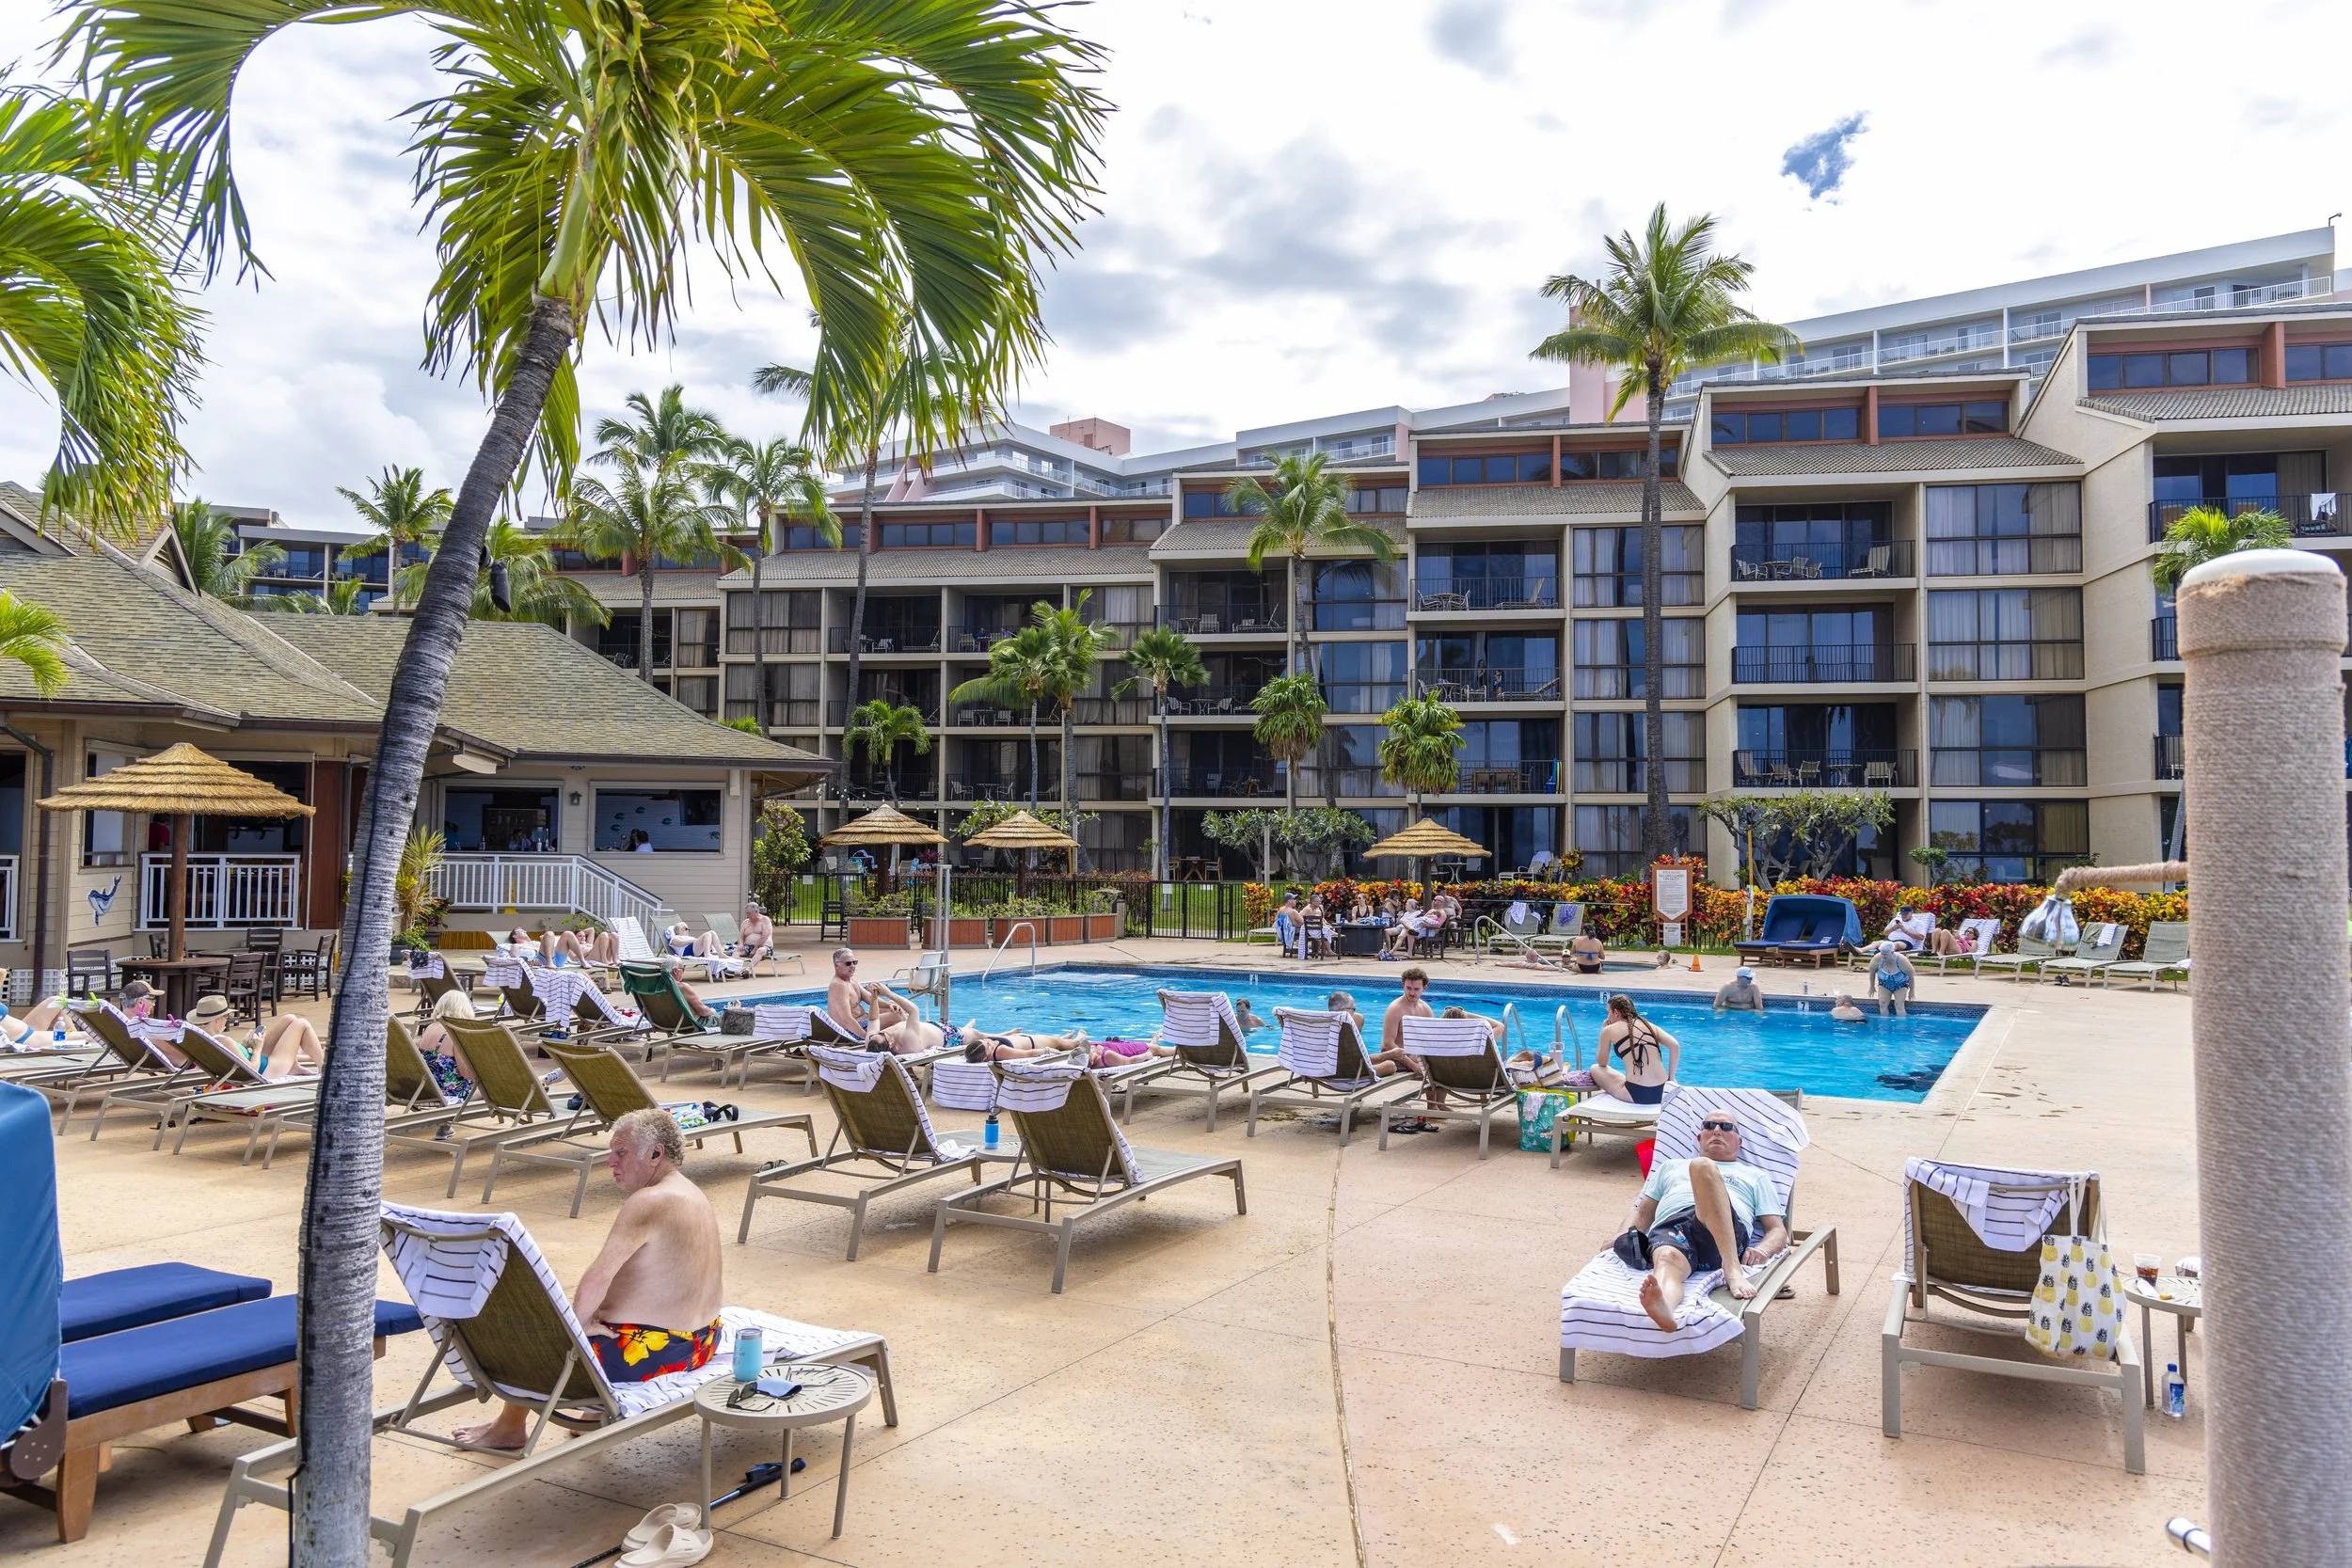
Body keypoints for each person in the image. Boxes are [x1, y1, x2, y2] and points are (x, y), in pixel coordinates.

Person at [453, 1110, 724, 1450]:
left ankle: (509, 1427)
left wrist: (575, 1331)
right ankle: (588, 1418)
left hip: (653, 1351)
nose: (610, 1162)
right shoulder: (690, 1192)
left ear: (656, 1154)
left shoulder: (649, 1201)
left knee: (543, 1339)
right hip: (703, 1340)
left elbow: (598, 1277)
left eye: (621, 1152)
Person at [1616, 1109, 1789, 1331]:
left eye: (1726, 1127)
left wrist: (1763, 1250)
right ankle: (1665, 1308)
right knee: (1666, 1259)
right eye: (1708, 1126)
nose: (1716, 1130)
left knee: (1702, 1166)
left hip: (1722, 1233)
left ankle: (1732, 1268)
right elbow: (1641, 1213)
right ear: (1699, 1138)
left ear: (1739, 1142)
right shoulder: (1670, 1166)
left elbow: (1777, 1230)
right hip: (1673, 1226)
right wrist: (1619, 1237)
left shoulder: (1755, 1176)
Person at [186, 994, 323, 1081]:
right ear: (217, 1020)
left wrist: (246, 1046)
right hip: (268, 1070)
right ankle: (325, 1068)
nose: (227, 1019)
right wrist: (257, 1048)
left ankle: (294, 1066)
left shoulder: (204, 1039)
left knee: (289, 1019)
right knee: (301, 1024)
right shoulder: (224, 1040)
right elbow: (252, 1069)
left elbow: (237, 1061)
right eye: (226, 1017)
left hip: (261, 1063)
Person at [960, 1022, 1174, 1069]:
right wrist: (1047, 1052)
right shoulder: (1001, 1051)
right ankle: (1078, 1037)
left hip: (1105, 1046)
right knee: (1067, 1043)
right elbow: (1029, 1053)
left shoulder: (993, 1050)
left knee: (1068, 1043)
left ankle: (1076, 1037)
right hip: (1037, 1042)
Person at [1590, 994, 1678, 1106]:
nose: (1608, 1017)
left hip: (1637, 1094)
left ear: (1616, 1012)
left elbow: (1602, 1063)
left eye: (1608, 1012)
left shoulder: (1609, 1030)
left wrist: (1603, 1030)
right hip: (1663, 1091)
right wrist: (1671, 1078)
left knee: (1595, 1069)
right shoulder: (1650, 1026)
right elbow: (1675, 1046)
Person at [418, 988, 480, 1100]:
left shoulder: (430, 1028)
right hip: (450, 1094)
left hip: (428, 1089)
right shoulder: (454, 1033)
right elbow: (466, 1073)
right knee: (494, 1089)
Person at [864, 982, 946, 1055]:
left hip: (926, 1027)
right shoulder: (909, 1042)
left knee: (892, 1006)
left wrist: (874, 998)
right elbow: (914, 1010)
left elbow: (873, 1019)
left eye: (878, 1033)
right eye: (882, 1034)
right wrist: (888, 993)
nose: (881, 1032)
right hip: (946, 1034)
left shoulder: (872, 1041)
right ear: (891, 1044)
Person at [825, 948, 873, 1034]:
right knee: (896, 1016)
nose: (853, 966)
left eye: (855, 962)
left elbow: (870, 999)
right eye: (848, 963)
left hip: (865, 1021)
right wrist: (866, 1037)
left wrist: (889, 1004)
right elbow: (847, 1020)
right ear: (837, 966)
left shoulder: (852, 980)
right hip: (853, 1031)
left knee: (892, 1009)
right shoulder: (838, 986)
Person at [1870, 942, 1917, 1018]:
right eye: (1882, 953)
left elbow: (1911, 976)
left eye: (1885, 954)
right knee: (1882, 1004)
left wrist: (1912, 991)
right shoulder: (1877, 958)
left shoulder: (1901, 960)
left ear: (1892, 952)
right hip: (1884, 984)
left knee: (1899, 1005)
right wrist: (1872, 987)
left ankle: (1901, 1026)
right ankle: (1884, 1026)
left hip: (1900, 985)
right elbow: (1872, 973)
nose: (1883, 956)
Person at [738, 902, 775, 967]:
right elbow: (740, 936)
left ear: (756, 911)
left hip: (763, 947)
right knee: (737, 951)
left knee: (760, 951)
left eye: (749, 913)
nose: (747, 915)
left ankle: (748, 969)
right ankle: (730, 970)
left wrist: (755, 949)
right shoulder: (745, 922)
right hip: (748, 946)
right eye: (746, 913)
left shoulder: (765, 920)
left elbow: (765, 936)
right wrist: (740, 944)